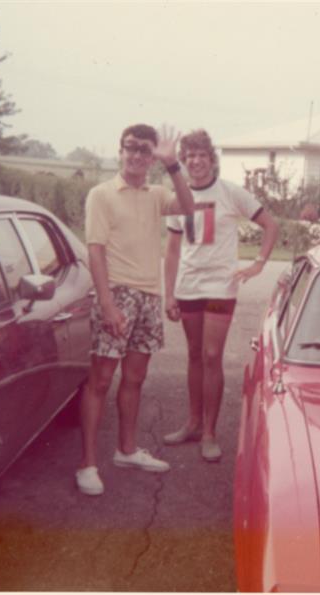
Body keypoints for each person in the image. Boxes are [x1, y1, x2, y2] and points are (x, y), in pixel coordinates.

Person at [76, 123, 194, 496]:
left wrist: (173, 164)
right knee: (100, 380)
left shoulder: (156, 193)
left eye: (146, 151)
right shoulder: (102, 194)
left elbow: (190, 208)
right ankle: (88, 464)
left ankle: (127, 450)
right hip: (117, 293)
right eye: (132, 148)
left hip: (148, 297)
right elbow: (95, 250)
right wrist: (107, 304)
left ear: (152, 158)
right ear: (120, 150)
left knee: (135, 378)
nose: (138, 156)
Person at [163, 129, 278, 462]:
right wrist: (169, 294)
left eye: (202, 155)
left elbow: (271, 226)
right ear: (183, 162)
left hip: (220, 287)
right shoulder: (177, 196)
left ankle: (211, 432)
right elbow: (171, 250)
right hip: (188, 287)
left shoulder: (231, 193)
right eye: (190, 157)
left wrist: (258, 263)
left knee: (213, 355)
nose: (196, 162)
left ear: (212, 160)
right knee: (194, 355)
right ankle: (193, 423)